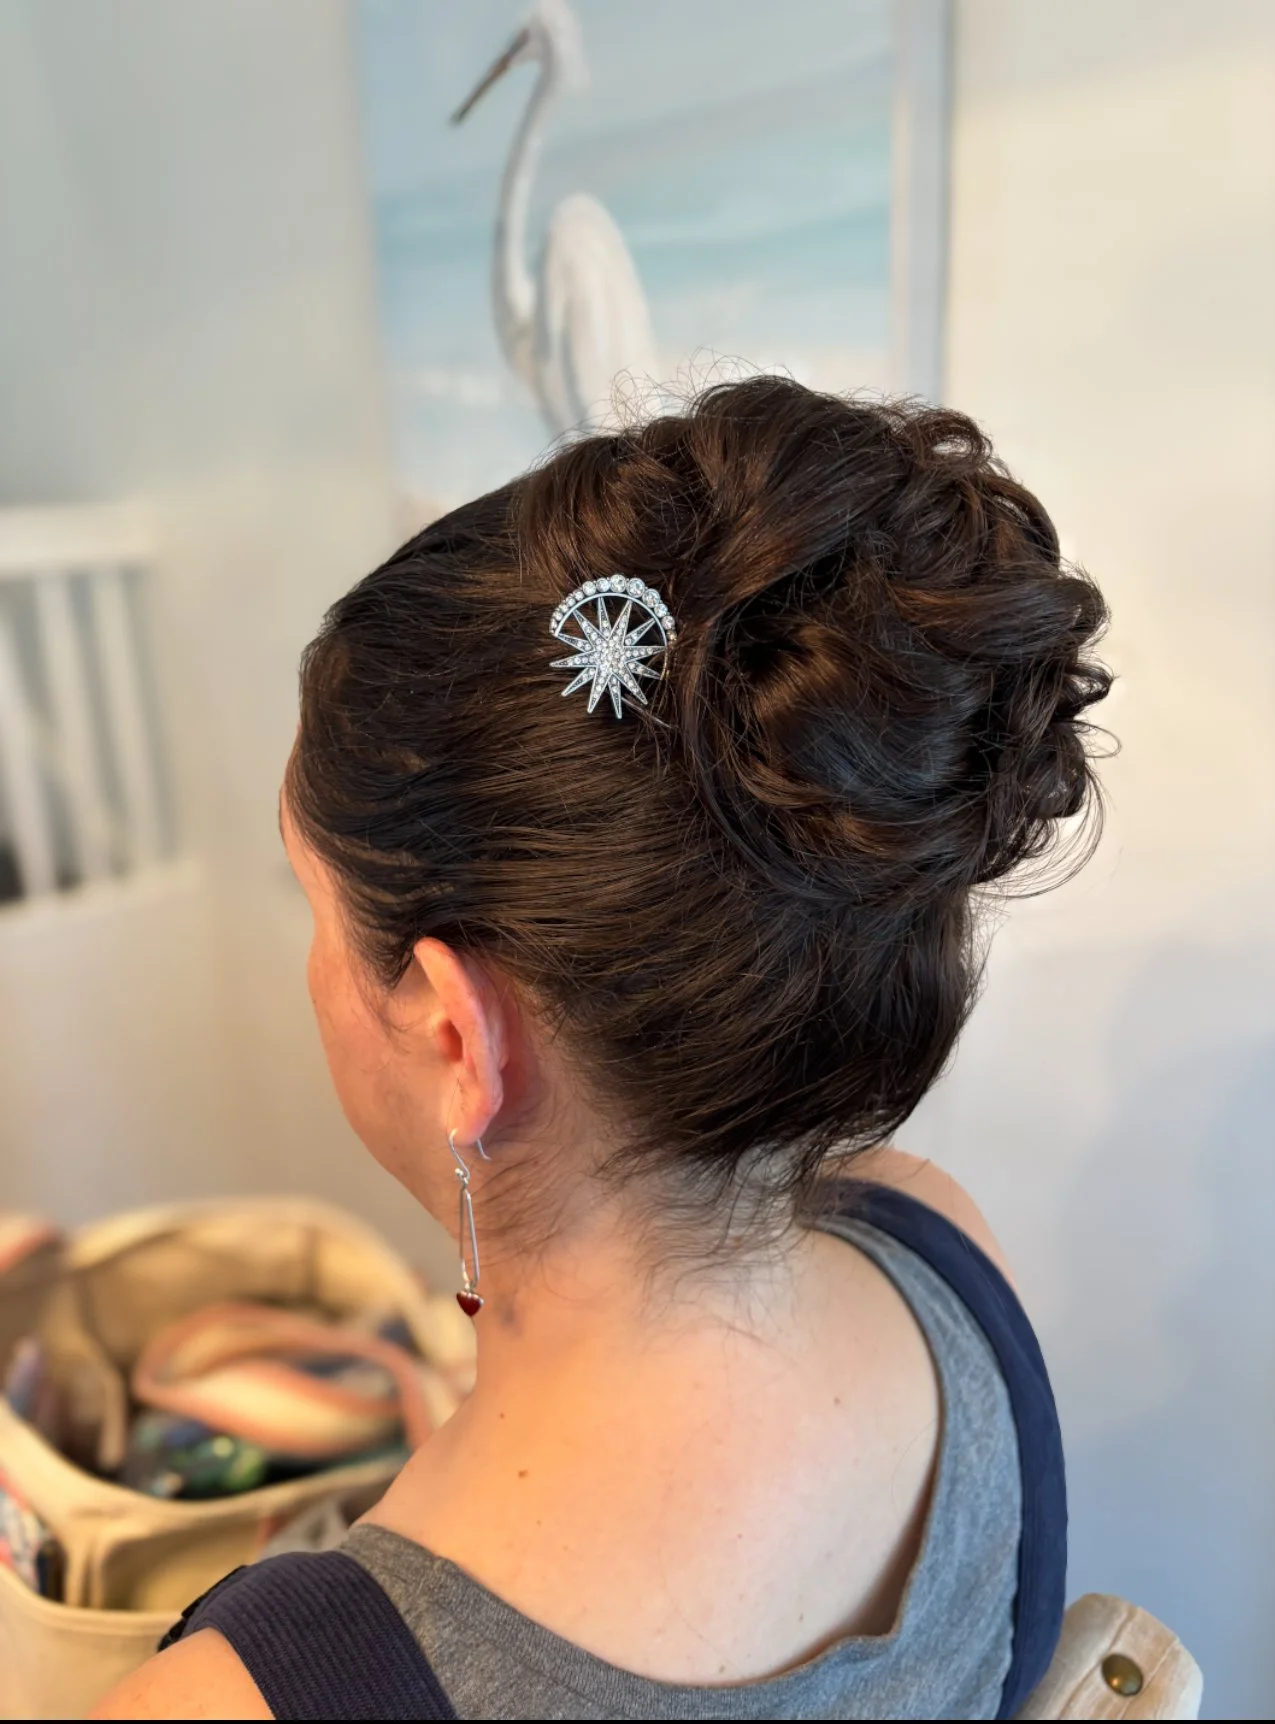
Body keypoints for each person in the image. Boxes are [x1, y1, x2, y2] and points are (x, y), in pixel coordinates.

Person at [93, 376, 1110, 1721]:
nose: (310, 973)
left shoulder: (242, 1701)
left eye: (315, 912)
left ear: (459, 1037)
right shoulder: (943, 1258)